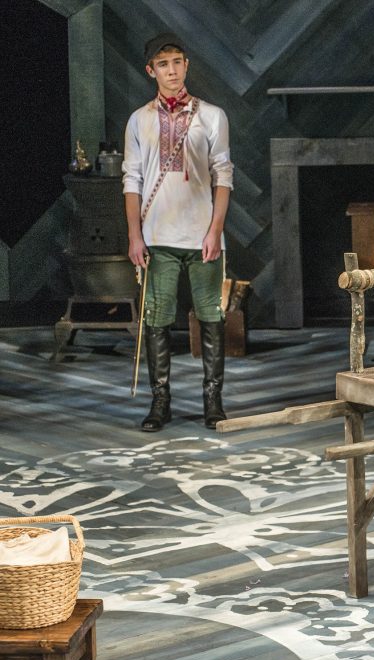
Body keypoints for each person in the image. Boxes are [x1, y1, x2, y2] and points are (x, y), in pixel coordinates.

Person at [123, 32, 234, 432]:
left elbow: (223, 175)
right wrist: (135, 235)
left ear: (187, 66)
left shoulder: (212, 116)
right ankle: (160, 401)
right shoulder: (140, 120)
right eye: (163, 64)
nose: (171, 70)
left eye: (178, 62)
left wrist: (215, 229)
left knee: (211, 316)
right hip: (157, 237)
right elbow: (132, 180)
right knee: (156, 319)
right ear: (150, 70)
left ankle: (212, 400)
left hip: (203, 235)